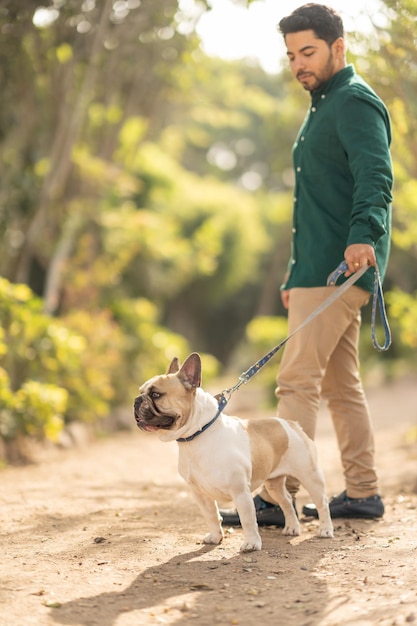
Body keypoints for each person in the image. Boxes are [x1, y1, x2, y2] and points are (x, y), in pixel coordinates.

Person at [221, 3, 393, 526]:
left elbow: (375, 177)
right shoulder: (323, 104)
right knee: (342, 388)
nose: (298, 63)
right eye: (292, 55)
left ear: (338, 47)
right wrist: (294, 277)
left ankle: (278, 498)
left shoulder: (355, 103)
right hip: (315, 271)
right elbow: (314, 208)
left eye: (308, 52)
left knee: (296, 383)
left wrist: (363, 236)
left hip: (341, 268)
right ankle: (362, 493)